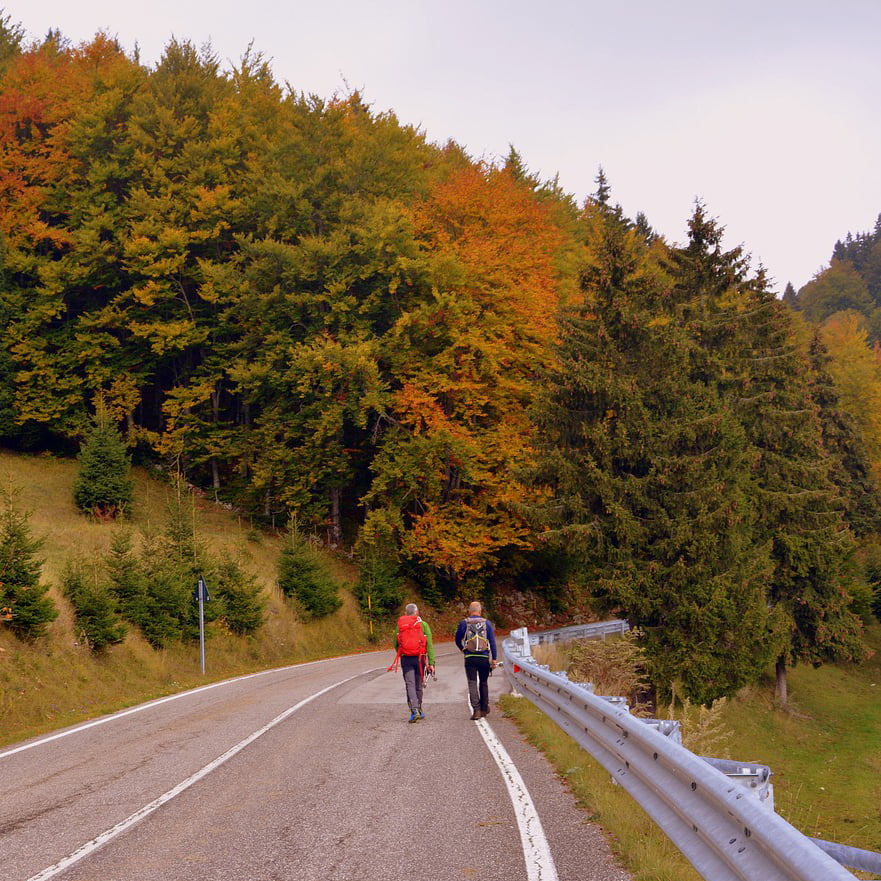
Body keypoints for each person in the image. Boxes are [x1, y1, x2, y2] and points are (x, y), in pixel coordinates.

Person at [392, 602, 435, 723]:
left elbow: (395, 643)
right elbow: (429, 645)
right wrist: (431, 662)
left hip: (406, 658)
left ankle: (414, 710)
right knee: (418, 684)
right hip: (420, 658)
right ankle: (419, 708)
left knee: (410, 684)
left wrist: (402, 652)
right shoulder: (424, 625)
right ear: (417, 613)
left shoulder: (400, 625)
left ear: (405, 613)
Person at [455, 601, 498, 720]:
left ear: (469, 611)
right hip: (484, 657)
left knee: (472, 683)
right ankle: (484, 708)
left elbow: (457, 639)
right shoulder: (487, 623)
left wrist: (462, 649)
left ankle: (477, 710)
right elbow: (493, 642)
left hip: (470, 658)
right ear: (480, 611)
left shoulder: (464, 623)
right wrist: (494, 659)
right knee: (483, 682)